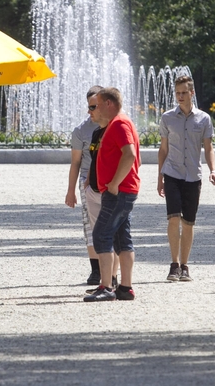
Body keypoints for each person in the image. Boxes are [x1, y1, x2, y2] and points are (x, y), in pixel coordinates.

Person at [157, 76, 215, 282]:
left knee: (189, 222)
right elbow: (163, 149)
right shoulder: (167, 118)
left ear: (192, 93)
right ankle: (173, 265)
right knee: (173, 218)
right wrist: (160, 177)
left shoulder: (204, 119)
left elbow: (208, 147)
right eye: (177, 93)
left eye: (184, 92)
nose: (180, 96)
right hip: (172, 173)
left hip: (193, 175)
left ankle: (185, 265)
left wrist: (213, 170)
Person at [83, 88, 140, 302]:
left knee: (101, 235)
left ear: (109, 104)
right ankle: (125, 288)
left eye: (96, 105)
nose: (94, 109)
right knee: (121, 238)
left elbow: (130, 154)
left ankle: (106, 287)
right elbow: (134, 158)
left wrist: (115, 183)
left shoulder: (119, 124)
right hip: (124, 190)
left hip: (119, 191)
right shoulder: (119, 123)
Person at [65, 86, 102, 285]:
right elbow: (76, 162)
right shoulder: (81, 130)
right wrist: (71, 191)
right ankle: (95, 268)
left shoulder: (115, 124)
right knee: (89, 224)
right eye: (89, 106)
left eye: (94, 106)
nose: (90, 111)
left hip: (110, 180)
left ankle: (111, 270)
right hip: (88, 180)